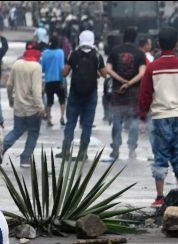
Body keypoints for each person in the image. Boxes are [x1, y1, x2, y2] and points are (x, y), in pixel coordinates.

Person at [139, 27, 178, 207]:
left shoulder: (152, 67)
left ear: (158, 44)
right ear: (176, 44)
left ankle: (159, 197)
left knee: (160, 157)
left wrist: (142, 114)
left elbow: (145, 94)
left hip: (160, 117)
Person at [59, 30, 106, 161]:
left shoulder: (73, 54)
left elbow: (65, 73)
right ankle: (82, 152)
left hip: (75, 93)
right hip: (91, 94)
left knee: (71, 122)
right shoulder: (97, 56)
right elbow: (105, 74)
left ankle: (66, 150)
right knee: (87, 124)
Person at [105, 27, 147, 162]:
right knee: (134, 121)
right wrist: (129, 83)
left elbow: (108, 70)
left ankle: (116, 148)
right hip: (134, 92)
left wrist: (121, 81)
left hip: (118, 91)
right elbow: (142, 73)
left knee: (117, 120)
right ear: (135, 38)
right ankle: (132, 149)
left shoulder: (115, 51)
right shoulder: (140, 53)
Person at [2, 43, 45, 167]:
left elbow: (9, 85)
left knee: (17, 130)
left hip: (19, 106)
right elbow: (37, 91)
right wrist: (41, 107)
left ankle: (3, 146)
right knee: (33, 132)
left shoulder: (17, 64)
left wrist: (11, 100)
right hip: (32, 108)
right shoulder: (36, 67)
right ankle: (25, 158)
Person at [42, 34, 66, 127]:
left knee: (49, 101)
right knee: (62, 100)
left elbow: (43, 67)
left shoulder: (45, 53)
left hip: (49, 80)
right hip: (59, 79)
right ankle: (62, 117)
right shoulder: (61, 52)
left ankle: (48, 119)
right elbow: (62, 67)